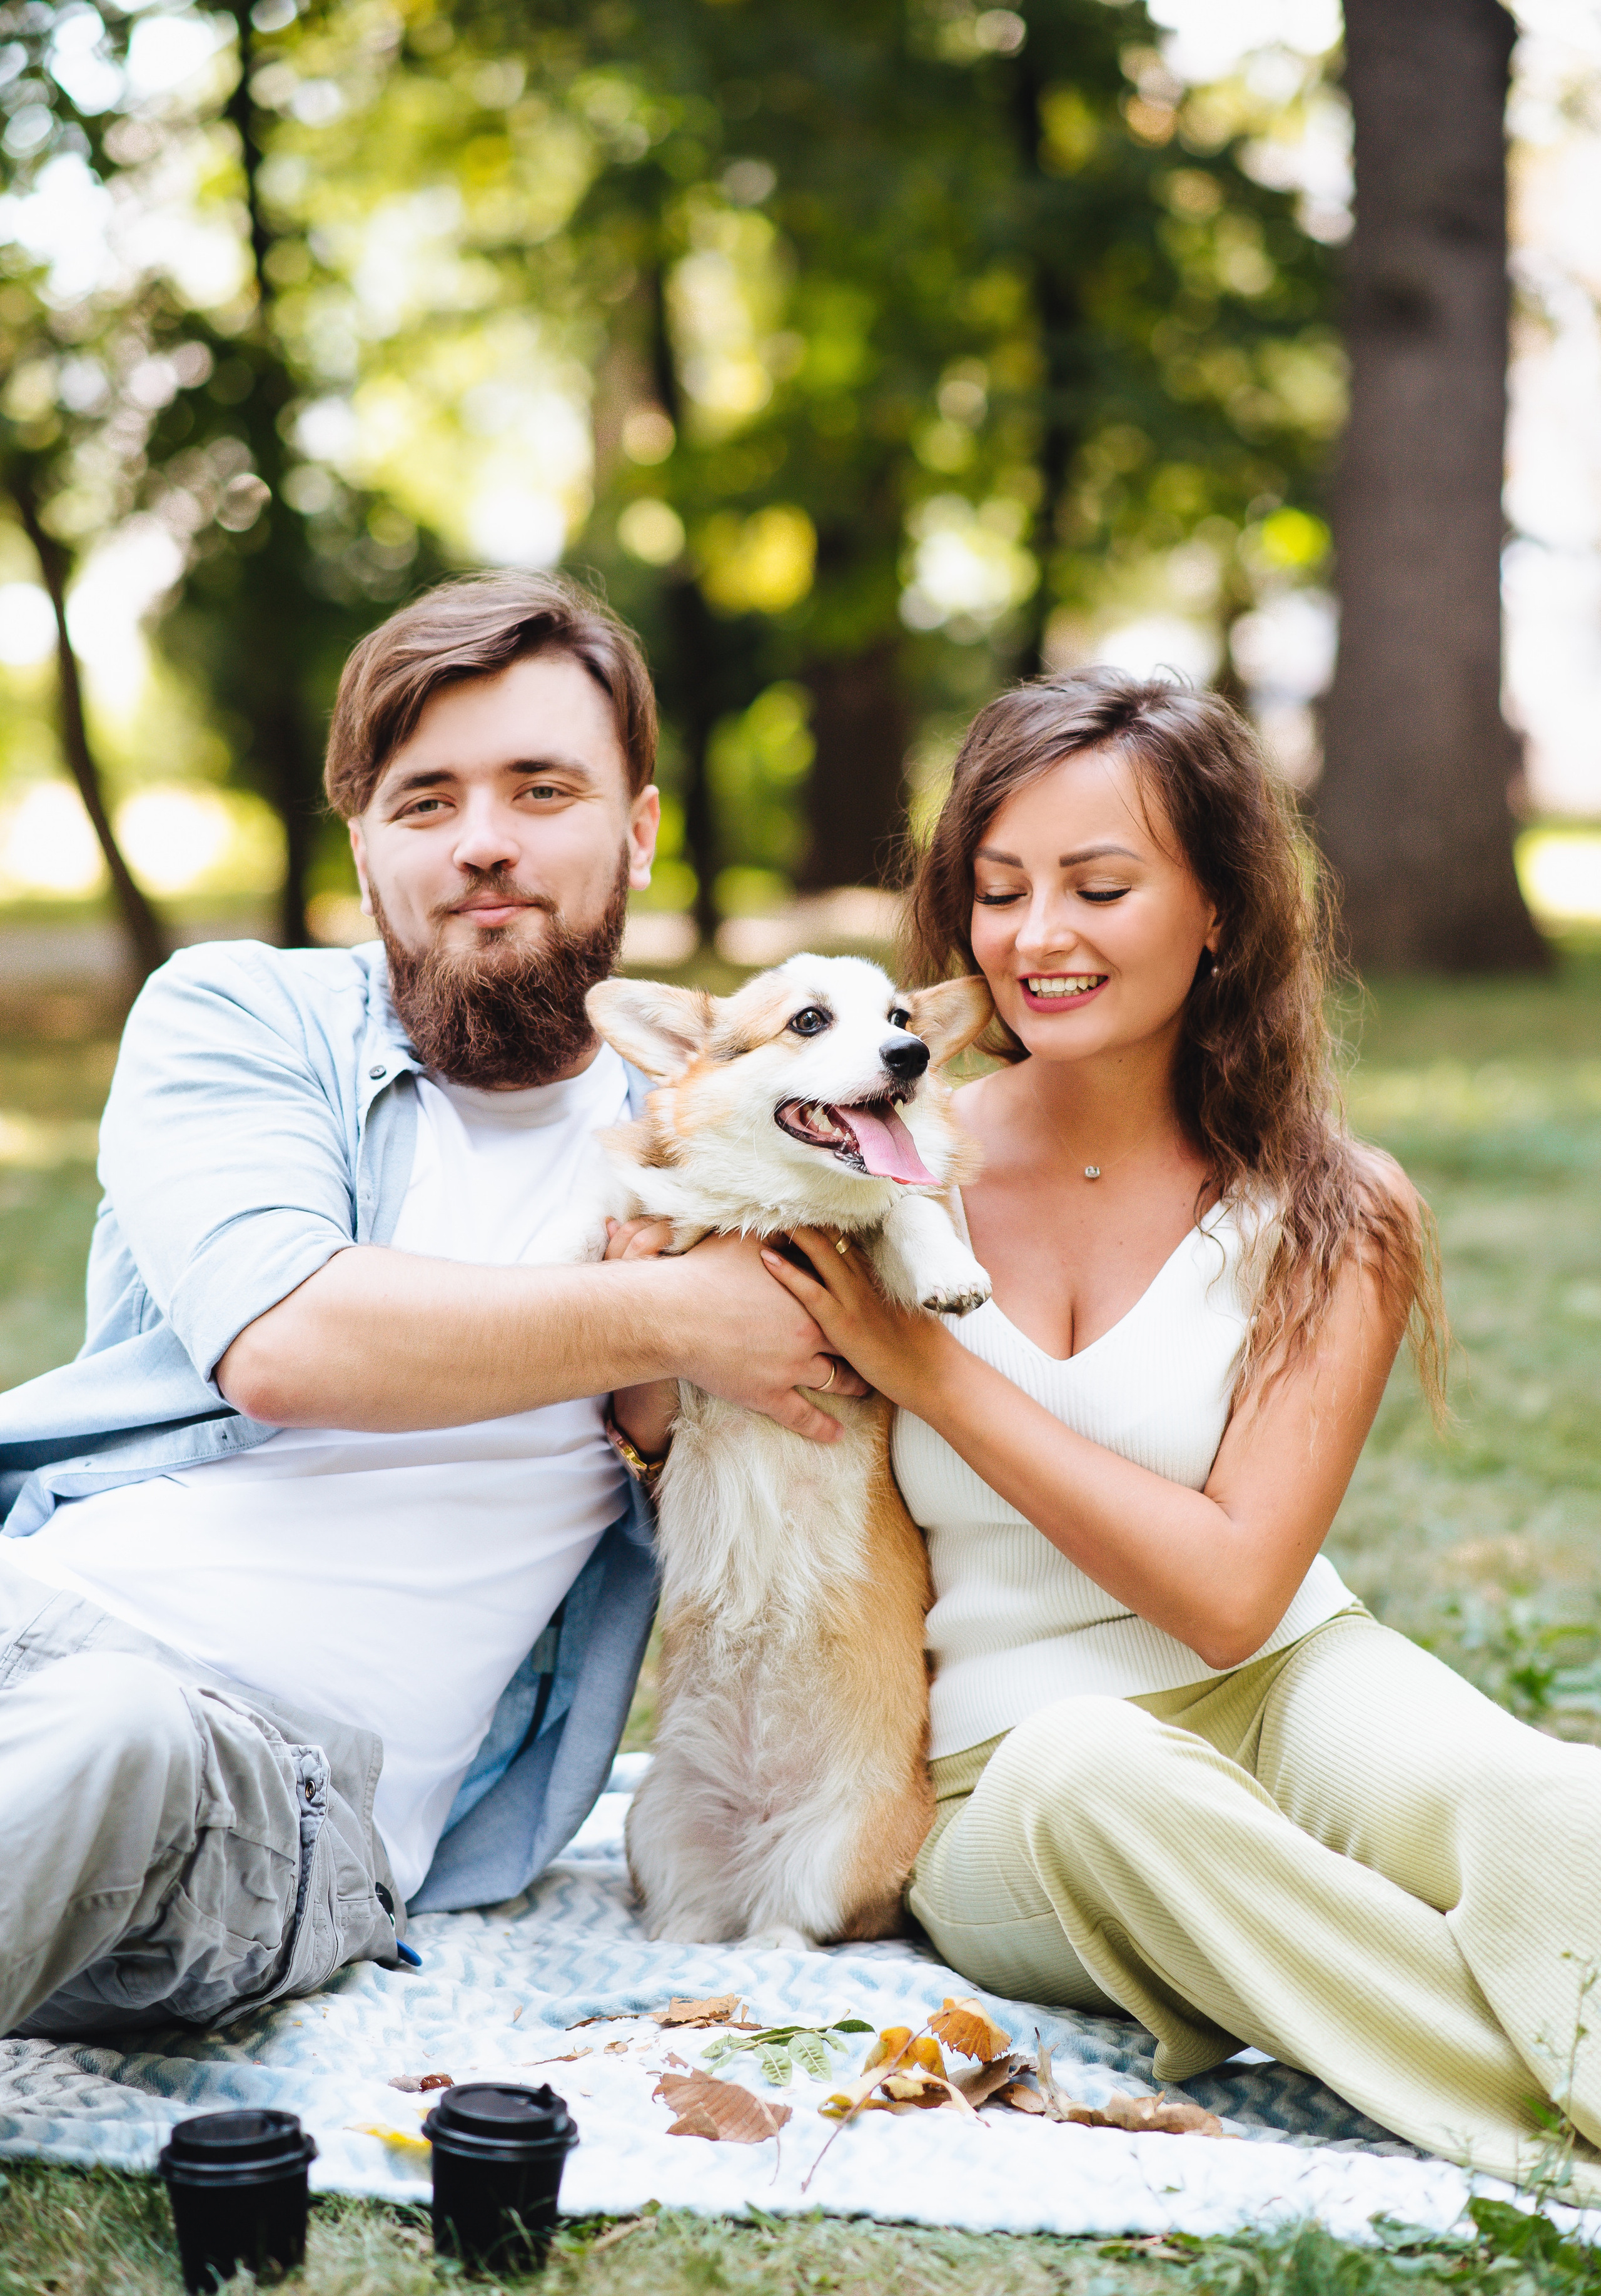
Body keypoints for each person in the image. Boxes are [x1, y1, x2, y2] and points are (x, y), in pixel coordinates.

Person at [760, 668, 1601, 2195]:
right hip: (1012, 1770)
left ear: (1217, 907)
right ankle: (1542, 2105)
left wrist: (936, 1375)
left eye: (1097, 886)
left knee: (1550, 1807)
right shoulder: (874, 1153)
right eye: (999, 889)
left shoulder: (1333, 1205)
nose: (1035, 938)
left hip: (1287, 1677)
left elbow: (1226, 1596)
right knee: (1104, 1767)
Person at [0, 569, 862, 2041]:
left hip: (256, 1790)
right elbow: (288, 1340)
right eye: (425, 802)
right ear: (365, 842)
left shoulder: (732, 1140)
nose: (482, 845)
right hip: (37, 1624)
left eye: (541, 789)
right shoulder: (236, 1017)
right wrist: (664, 1319)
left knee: (115, 1734)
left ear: (639, 829)